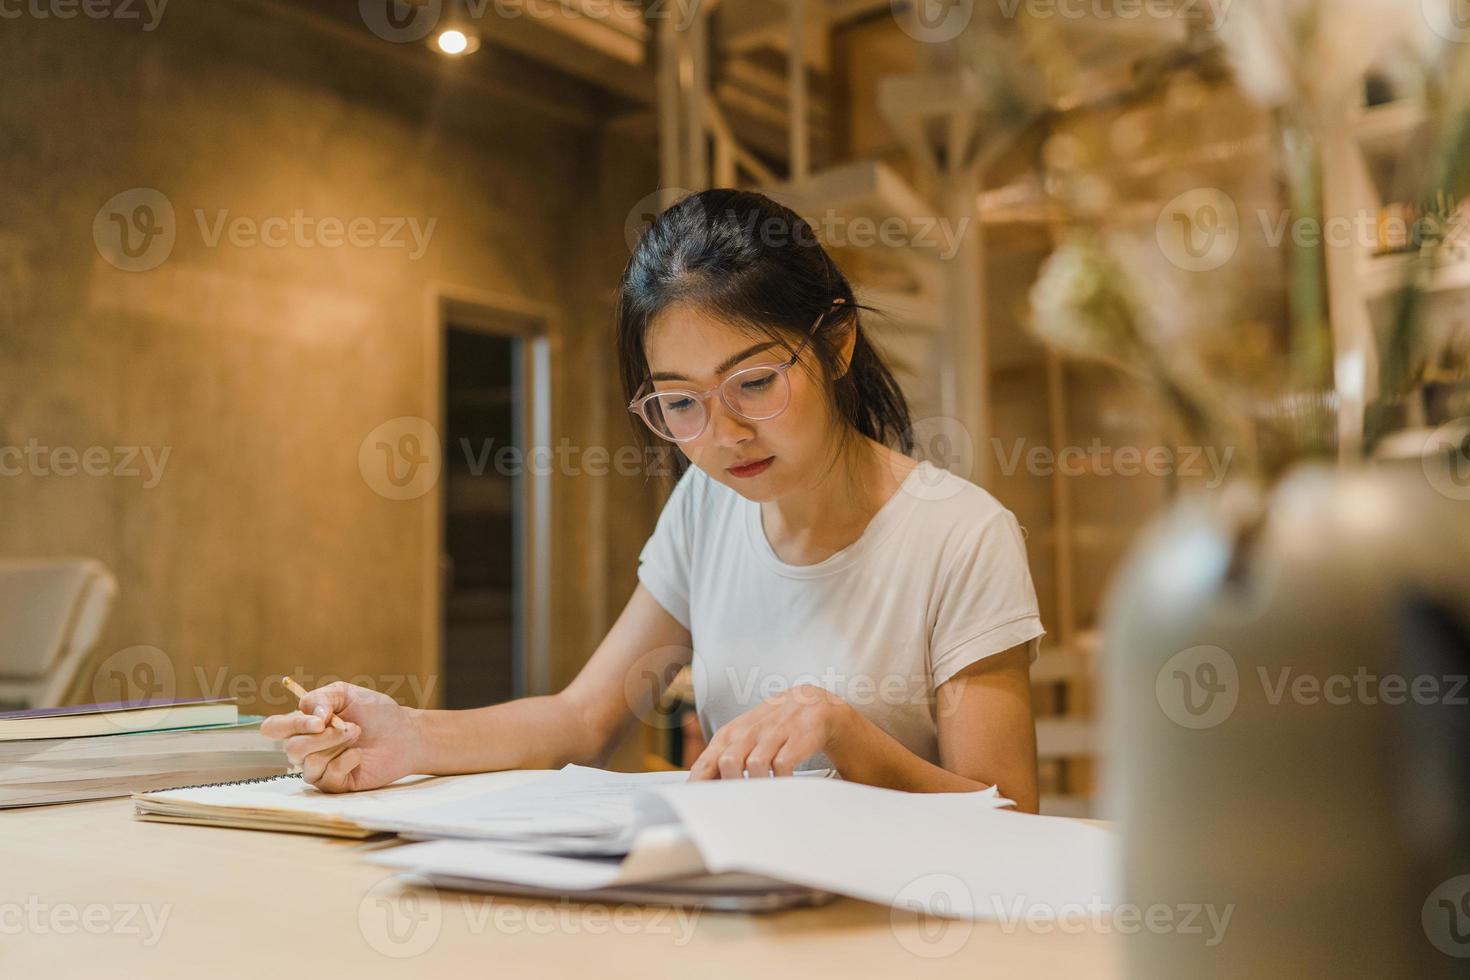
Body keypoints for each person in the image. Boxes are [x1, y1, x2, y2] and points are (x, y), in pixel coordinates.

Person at [261, 189, 1047, 811]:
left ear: (836, 343)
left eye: (755, 383)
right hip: (751, 911)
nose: (725, 432)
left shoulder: (960, 536)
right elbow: (584, 719)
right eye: (680, 403)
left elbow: (1007, 815)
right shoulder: (708, 509)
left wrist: (847, 734)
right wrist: (406, 734)